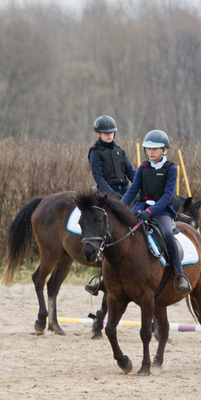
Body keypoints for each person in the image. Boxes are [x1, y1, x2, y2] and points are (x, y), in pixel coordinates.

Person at [122, 129, 192, 295]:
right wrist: (119, 207)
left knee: (167, 234)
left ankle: (179, 273)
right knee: (121, 230)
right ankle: (105, 274)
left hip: (161, 211)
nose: (150, 152)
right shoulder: (143, 168)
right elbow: (133, 190)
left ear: (164, 149)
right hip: (141, 206)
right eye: (148, 149)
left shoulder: (171, 169)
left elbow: (168, 197)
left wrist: (150, 212)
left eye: (154, 149)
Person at [84, 114, 136, 295]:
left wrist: (139, 186)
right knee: (107, 233)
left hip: (125, 194)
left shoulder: (120, 151)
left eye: (111, 133)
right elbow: (98, 178)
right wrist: (112, 195)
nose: (109, 136)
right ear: (98, 134)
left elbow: (131, 173)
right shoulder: (95, 152)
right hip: (106, 195)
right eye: (105, 133)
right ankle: (101, 277)